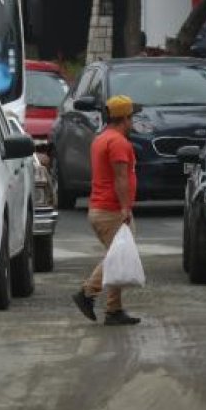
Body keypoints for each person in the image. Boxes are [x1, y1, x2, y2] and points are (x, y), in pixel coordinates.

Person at [72, 95, 142, 326]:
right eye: (131, 117)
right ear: (124, 118)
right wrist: (125, 208)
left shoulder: (101, 139)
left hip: (99, 208)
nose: (133, 122)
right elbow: (121, 178)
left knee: (117, 257)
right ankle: (87, 293)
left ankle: (114, 310)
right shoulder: (119, 143)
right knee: (117, 258)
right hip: (111, 210)